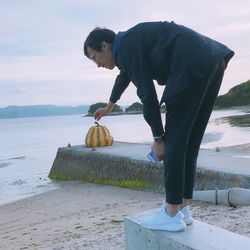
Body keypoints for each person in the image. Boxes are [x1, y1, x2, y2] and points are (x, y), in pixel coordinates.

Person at [83, 21, 234, 232]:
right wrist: (109, 107)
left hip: (188, 64)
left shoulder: (126, 46)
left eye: (94, 58)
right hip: (212, 59)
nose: (97, 64)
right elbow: (124, 76)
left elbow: (147, 93)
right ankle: (182, 207)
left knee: (172, 143)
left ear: (105, 46)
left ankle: (171, 213)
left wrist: (158, 138)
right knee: (188, 140)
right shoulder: (129, 43)